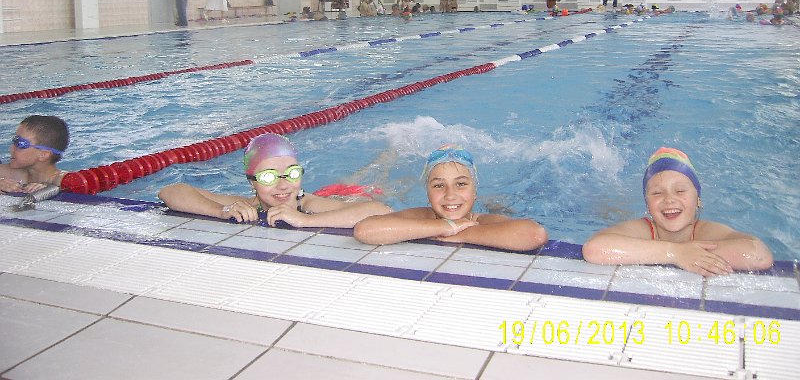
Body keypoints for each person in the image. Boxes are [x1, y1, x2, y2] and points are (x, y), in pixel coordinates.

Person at [582, 147, 773, 276]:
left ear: (698, 200)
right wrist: (676, 253)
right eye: (657, 193)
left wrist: (692, 254)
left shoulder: (706, 232)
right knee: (609, 212)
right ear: (648, 205)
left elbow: (759, 255)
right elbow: (594, 249)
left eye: (680, 191)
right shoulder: (644, 229)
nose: (669, 199)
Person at [158, 133, 391, 227]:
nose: (282, 185)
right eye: (269, 177)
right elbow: (171, 191)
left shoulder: (307, 204)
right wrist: (221, 210)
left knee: (376, 176)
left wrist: (304, 220)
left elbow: (380, 210)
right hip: (330, 192)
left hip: (352, 195)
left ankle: (390, 153)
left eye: (292, 173)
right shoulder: (249, 204)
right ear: (252, 181)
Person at [354, 145, 548, 251]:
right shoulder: (422, 216)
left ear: (474, 191)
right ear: (428, 193)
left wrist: (461, 233)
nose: (450, 195)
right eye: (439, 186)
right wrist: (444, 226)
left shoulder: (482, 220)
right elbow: (365, 230)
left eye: (461, 184)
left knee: (499, 207)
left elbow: (534, 235)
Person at [0, 115, 69, 194]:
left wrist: (49, 189)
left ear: (43, 154)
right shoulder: (12, 172)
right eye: (14, 140)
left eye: (20, 144)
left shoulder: (62, 180)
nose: (11, 149)